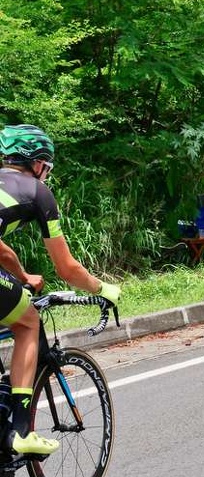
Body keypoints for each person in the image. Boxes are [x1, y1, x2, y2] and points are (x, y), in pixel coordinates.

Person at [0, 124, 121, 456]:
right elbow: (65, 268)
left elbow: (2, 250)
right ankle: (22, 430)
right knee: (27, 323)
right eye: (46, 165)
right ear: (37, 163)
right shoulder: (37, 192)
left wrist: (22, 274)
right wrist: (103, 287)